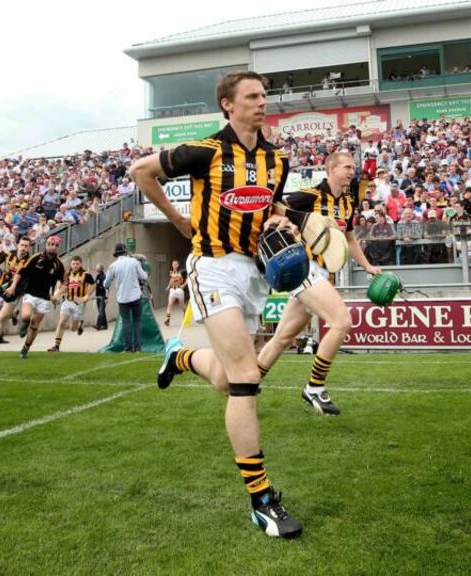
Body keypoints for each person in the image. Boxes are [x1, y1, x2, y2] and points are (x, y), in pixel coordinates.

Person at [129, 70, 303, 538]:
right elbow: (140, 171)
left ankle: (180, 356)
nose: (262, 102)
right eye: (252, 96)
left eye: (265, 95)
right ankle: (262, 500)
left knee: (229, 381)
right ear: (228, 104)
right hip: (213, 265)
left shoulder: (277, 158)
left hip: (254, 272)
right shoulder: (205, 150)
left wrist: (286, 223)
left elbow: (274, 206)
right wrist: (178, 219)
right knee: (247, 379)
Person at [256, 151, 382, 415]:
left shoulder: (348, 201)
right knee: (341, 321)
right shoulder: (308, 195)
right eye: (347, 167)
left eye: (353, 167)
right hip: (304, 267)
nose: (351, 171)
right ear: (331, 169)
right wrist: (281, 224)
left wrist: (368, 266)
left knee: (283, 337)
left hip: (321, 274)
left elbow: (349, 239)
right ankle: (314, 387)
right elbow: (273, 210)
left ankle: (249, 381)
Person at [10, 235, 65, 359]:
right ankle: (21, 319)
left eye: (56, 245)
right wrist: (13, 286)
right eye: (51, 244)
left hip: (44, 298)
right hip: (30, 293)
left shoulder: (58, 264)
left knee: (34, 326)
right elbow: (21, 272)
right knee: (26, 317)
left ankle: (25, 349)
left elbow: (64, 283)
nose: (53, 247)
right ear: (46, 245)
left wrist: (57, 294)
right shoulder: (36, 257)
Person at [0, 237, 32, 358]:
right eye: (22, 245)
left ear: (29, 247)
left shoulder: (29, 261)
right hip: (1, 288)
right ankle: (14, 314)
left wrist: (17, 287)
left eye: (26, 246)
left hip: (14, 292)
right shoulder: (7, 254)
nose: (24, 248)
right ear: (17, 245)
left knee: (1, 319)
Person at [103, 243, 147, 353]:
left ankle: (128, 348)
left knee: (126, 322)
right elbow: (144, 276)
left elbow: (106, 283)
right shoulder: (134, 262)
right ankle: (137, 347)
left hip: (122, 298)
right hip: (136, 296)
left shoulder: (113, 266)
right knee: (137, 321)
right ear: (125, 251)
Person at [47, 255, 95, 352]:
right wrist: (57, 294)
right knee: (61, 322)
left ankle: (79, 325)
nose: (75, 266)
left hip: (79, 303)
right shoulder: (67, 274)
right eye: (73, 264)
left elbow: (94, 284)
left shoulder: (86, 275)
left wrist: (87, 295)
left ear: (80, 264)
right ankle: (56, 346)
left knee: (72, 329)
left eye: (77, 264)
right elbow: (60, 285)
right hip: (67, 301)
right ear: (71, 264)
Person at [164, 259, 186, 326]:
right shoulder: (171, 272)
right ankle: (168, 320)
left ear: (178, 265)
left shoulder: (182, 271)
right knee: (170, 304)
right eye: (173, 264)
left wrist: (183, 285)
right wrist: (168, 286)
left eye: (175, 264)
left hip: (179, 290)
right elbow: (171, 279)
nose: (174, 265)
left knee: (181, 304)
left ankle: (185, 311)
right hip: (172, 290)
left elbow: (188, 279)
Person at [94, 264, 108, 330]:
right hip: (98, 296)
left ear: (101, 269)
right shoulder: (97, 276)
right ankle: (105, 325)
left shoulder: (103, 277)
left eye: (97, 268)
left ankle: (98, 325)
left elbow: (106, 288)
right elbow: (95, 284)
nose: (96, 269)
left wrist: (106, 298)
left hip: (102, 296)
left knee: (101, 311)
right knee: (102, 311)